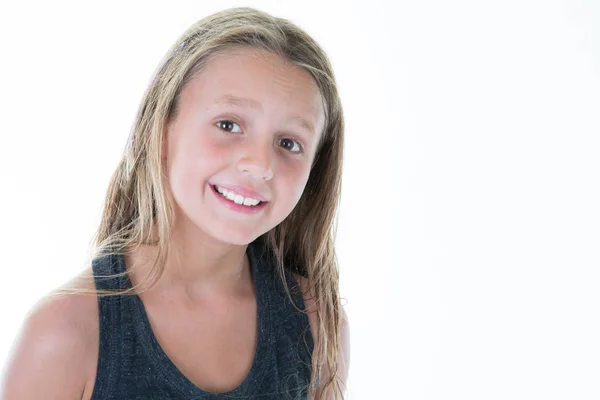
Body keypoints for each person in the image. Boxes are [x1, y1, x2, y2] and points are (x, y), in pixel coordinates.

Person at [0, 7, 349, 400]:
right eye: (229, 125)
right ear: (162, 131)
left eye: (289, 144)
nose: (260, 165)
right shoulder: (64, 333)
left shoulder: (314, 321)